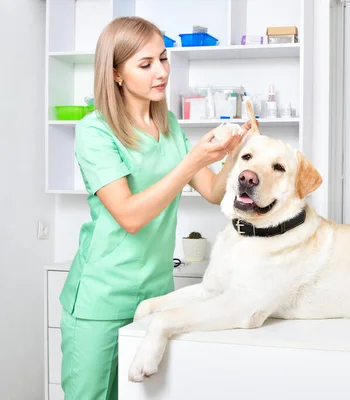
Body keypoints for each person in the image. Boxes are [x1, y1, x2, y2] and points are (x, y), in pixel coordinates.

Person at [58, 16, 254, 400]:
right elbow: (129, 216)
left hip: (156, 296)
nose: (161, 71)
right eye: (145, 64)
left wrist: (233, 153)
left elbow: (214, 192)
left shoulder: (169, 126)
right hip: (102, 295)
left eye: (163, 59)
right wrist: (193, 160)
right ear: (116, 74)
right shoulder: (95, 131)